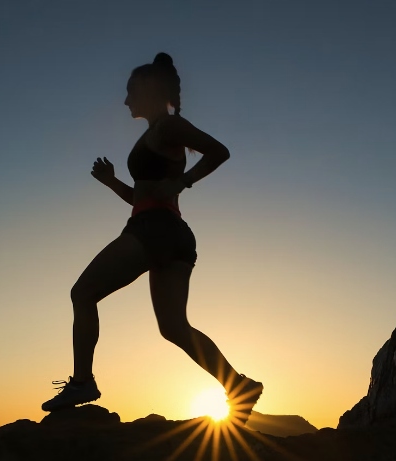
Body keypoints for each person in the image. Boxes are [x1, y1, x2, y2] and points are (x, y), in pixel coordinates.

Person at [42, 52, 263, 424]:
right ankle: (238, 386)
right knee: (174, 327)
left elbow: (219, 151)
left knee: (82, 293)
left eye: (130, 91)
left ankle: (82, 382)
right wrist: (113, 182)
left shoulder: (166, 127)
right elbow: (143, 197)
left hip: (154, 230)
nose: (126, 100)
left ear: (149, 89)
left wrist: (184, 180)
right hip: (172, 233)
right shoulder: (156, 133)